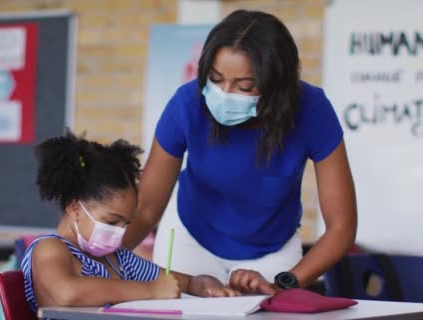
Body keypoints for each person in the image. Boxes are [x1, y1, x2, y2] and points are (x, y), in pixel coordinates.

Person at [123, 9, 357, 294]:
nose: (224, 93)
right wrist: (94, 262)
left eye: (244, 86)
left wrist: (285, 283)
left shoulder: (312, 110)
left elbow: (341, 226)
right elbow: (146, 209)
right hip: (189, 238)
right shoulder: (187, 103)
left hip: (272, 251)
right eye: (216, 79)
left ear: (276, 85)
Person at [22, 132, 240, 313]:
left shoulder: (118, 259)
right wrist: (151, 291)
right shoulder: (50, 248)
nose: (120, 232)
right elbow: (67, 292)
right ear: (75, 207)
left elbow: (181, 283)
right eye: (112, 221)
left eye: (126, 223)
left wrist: (204, 284)